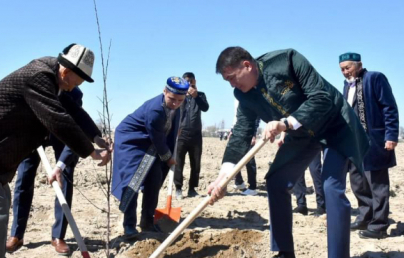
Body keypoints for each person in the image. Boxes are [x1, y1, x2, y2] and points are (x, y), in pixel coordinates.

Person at [208, 47, 369, 258]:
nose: (232, 84)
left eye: (232, 77)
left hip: (335, 125)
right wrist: (224, 174)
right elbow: (241, 133)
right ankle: (284, 252)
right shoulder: (243, 95)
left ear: (247, 65)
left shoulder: (287, 61)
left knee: (331, 187)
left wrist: (285, 123)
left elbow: (321, 97)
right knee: (276, 181)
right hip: (302, 135)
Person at [0, 43, 112, 258]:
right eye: (75, 83)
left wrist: (96, 136)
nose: (73, 89)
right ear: (66, 72)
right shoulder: (38, 76)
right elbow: (58, 119)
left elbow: (73, 111)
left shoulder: (55, 79)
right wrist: (91, 152)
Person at [5, 87, 110, 255]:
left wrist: (96, 137)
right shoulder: (35, 86)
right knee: (23, 179)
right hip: (32, 134)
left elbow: (79, 122)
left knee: (66, 174)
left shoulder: (74, 94)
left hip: (61, 134)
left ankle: (58, 236)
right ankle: (16, 234)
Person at [111, 77, 189, 238]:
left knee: (154, 179)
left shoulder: (178, 107)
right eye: (172, 99)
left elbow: (169, 132)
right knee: (133, 181)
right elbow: (158, 138)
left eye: (180, 100)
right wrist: (168, 157)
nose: (175, 103)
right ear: (164, 91)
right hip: (131, 141)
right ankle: (129, 225)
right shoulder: (155, 110)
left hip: (150, 145)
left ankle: (147, 221)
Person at [339, 52, 399, 239]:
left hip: (375, 141)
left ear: (359, 65)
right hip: (354, 143)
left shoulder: (375, 78)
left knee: (377, 184)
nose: (345, 72)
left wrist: (391, 135)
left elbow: (389, 107)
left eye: (348, 67)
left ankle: (379, 225)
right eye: (341, 69)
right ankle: (365, 217)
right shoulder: (346, 85)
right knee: (358, 183)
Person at [174, 72, 209, 200]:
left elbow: (205, 108)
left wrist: (196, 96)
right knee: (178, 163)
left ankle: (192, 189)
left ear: (195, 81)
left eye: (191, 81)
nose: (189, 83)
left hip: (196, 135)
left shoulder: (200, 95)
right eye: (186, 81)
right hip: (181, 135)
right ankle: (178, 188)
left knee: (196, 163)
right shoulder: (179, 96)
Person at [231, 100, 261, 196]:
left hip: (248, 132)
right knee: (234, 157)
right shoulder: (237, 97)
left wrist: (253, 134)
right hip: (238, 130)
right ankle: (239, 182)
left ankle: (252, 187)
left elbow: (257, 115)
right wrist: (232, 129)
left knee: (250, 160)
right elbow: (236, 116)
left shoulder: (251, 95)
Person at [290, 149, 325, 216]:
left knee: (315, 170)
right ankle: (301, 204)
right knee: (297, 170)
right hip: (298, 141)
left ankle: (321, 205)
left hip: (313, 141)